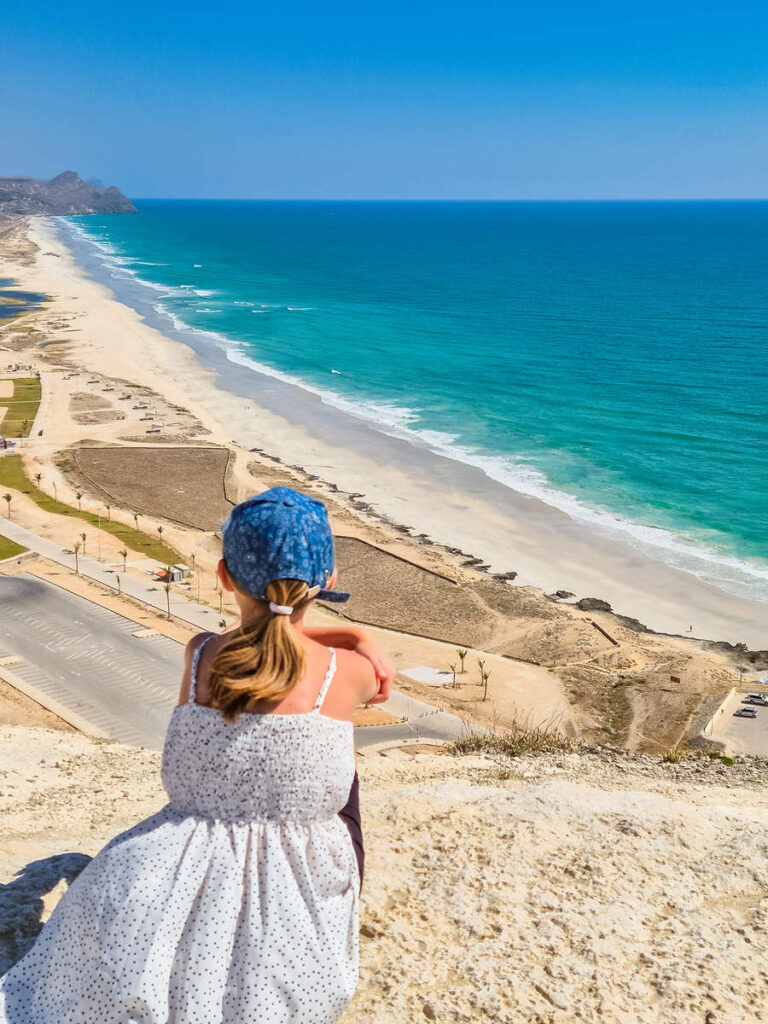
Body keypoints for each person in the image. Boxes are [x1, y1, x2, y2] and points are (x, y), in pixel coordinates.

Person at [0, 486, 393, 1023]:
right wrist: (354, 634)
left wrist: (325, 626)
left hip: (176, 852)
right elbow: (295, 645)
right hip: (300, 875)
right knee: (335, 763)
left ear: (225, 576)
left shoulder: (201, 652)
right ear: (328, 581)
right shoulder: (349, 672)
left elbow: (248, 635)